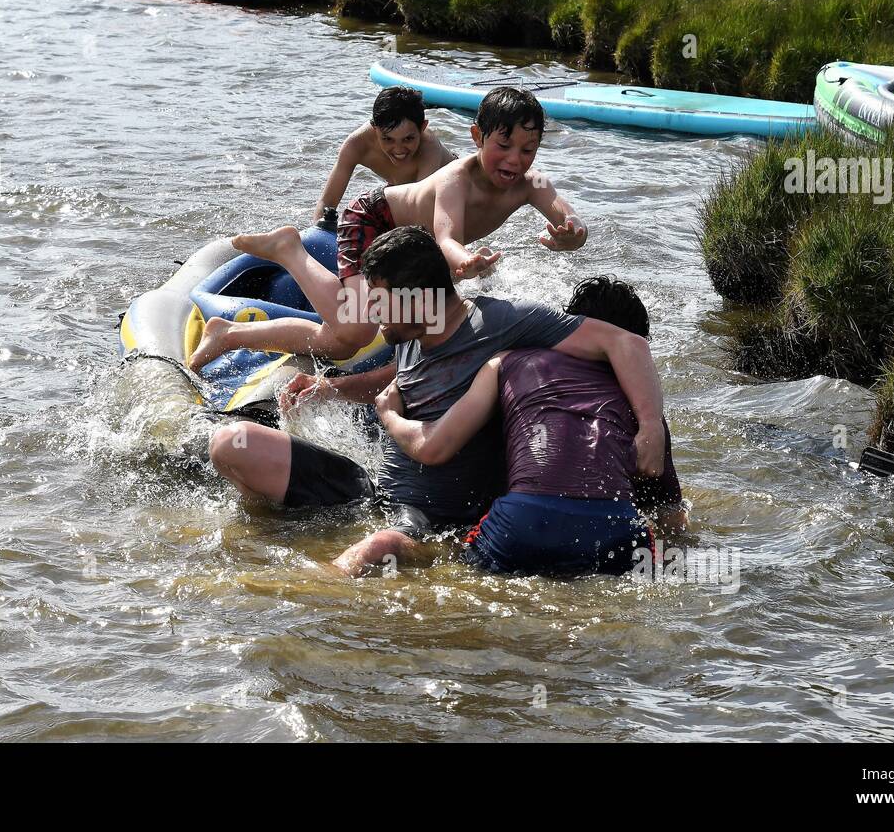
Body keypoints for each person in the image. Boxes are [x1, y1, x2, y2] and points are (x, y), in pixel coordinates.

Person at [205, 227, 665, 577]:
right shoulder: (408, 333)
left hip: (439, 520)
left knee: (374, 549)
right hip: (374, 494)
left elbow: (627, 344)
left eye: (380, 301)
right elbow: (397, 379)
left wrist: (647, 431)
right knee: (233, 443)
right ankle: (272, 537)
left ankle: (305, 597)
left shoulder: (501, 322)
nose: (371, 313)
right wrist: (332, 388)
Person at [188, 87, 587, 372]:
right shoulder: (456, 178)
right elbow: (446, 236)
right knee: (357, 327)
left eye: (528, 149)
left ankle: (228, 334)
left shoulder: (530, 183)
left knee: (339, 341)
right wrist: (465, 261)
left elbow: (569, 219)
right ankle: (290, 250)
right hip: (373, 220)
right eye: (504, 145)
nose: (515, 160)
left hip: (412, 249)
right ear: (477, 136)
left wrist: (571, 234)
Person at [374, 276, 684, 576]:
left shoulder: (511, 364)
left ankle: (400, 548)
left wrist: (389, 415)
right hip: (614, 533)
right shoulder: (647, 411)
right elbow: (669, 514)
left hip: (522, 524)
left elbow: (455, 444)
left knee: (450, 559)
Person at [310, 85, 454, 224]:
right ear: (375, 128)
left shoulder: (429, 148)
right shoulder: (356, 145)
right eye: (387, 139)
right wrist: (320, 232)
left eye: (408, 139)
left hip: (452, 196)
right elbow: (326, 203)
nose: (398, 149)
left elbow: (419, 210)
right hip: (406, 192)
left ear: (423, 127)